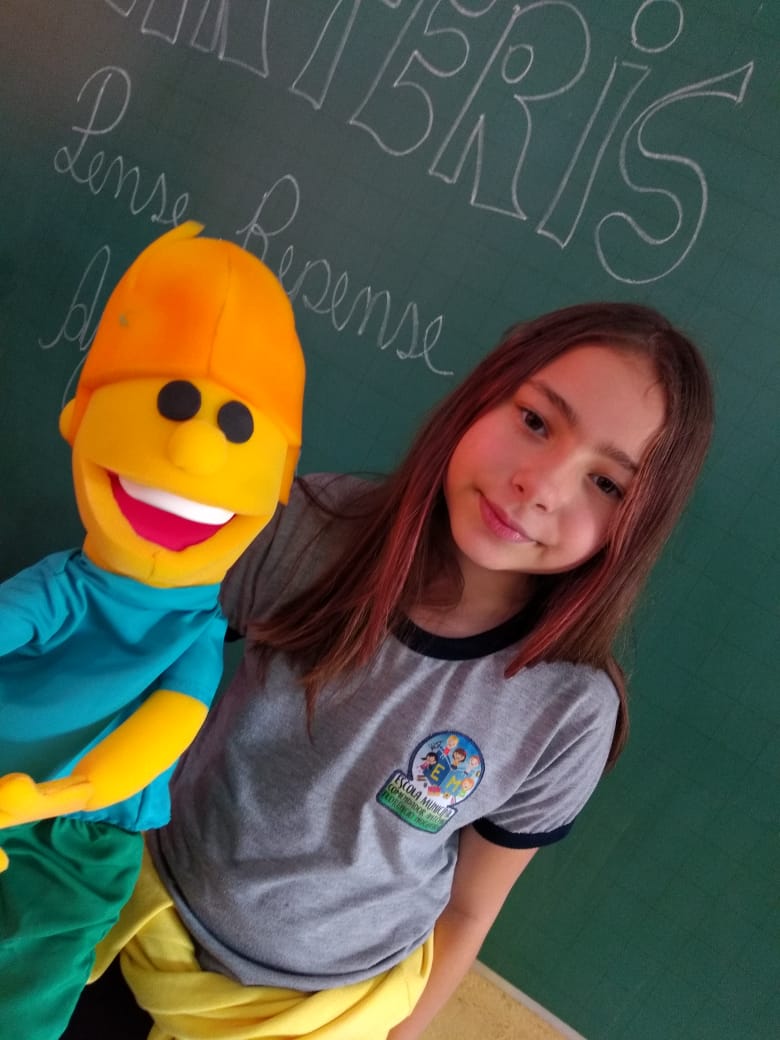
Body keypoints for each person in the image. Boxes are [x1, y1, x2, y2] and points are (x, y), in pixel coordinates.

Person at [65, 302, 713, 1040]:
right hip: (136, 913)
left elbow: (468, 908)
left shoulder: (568, 710)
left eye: (608, 484)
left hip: (312, 1017)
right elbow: (128, 665)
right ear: (483, 394)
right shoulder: (311, 525)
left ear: (636, 526)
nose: (540, 486)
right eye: (535, 421)